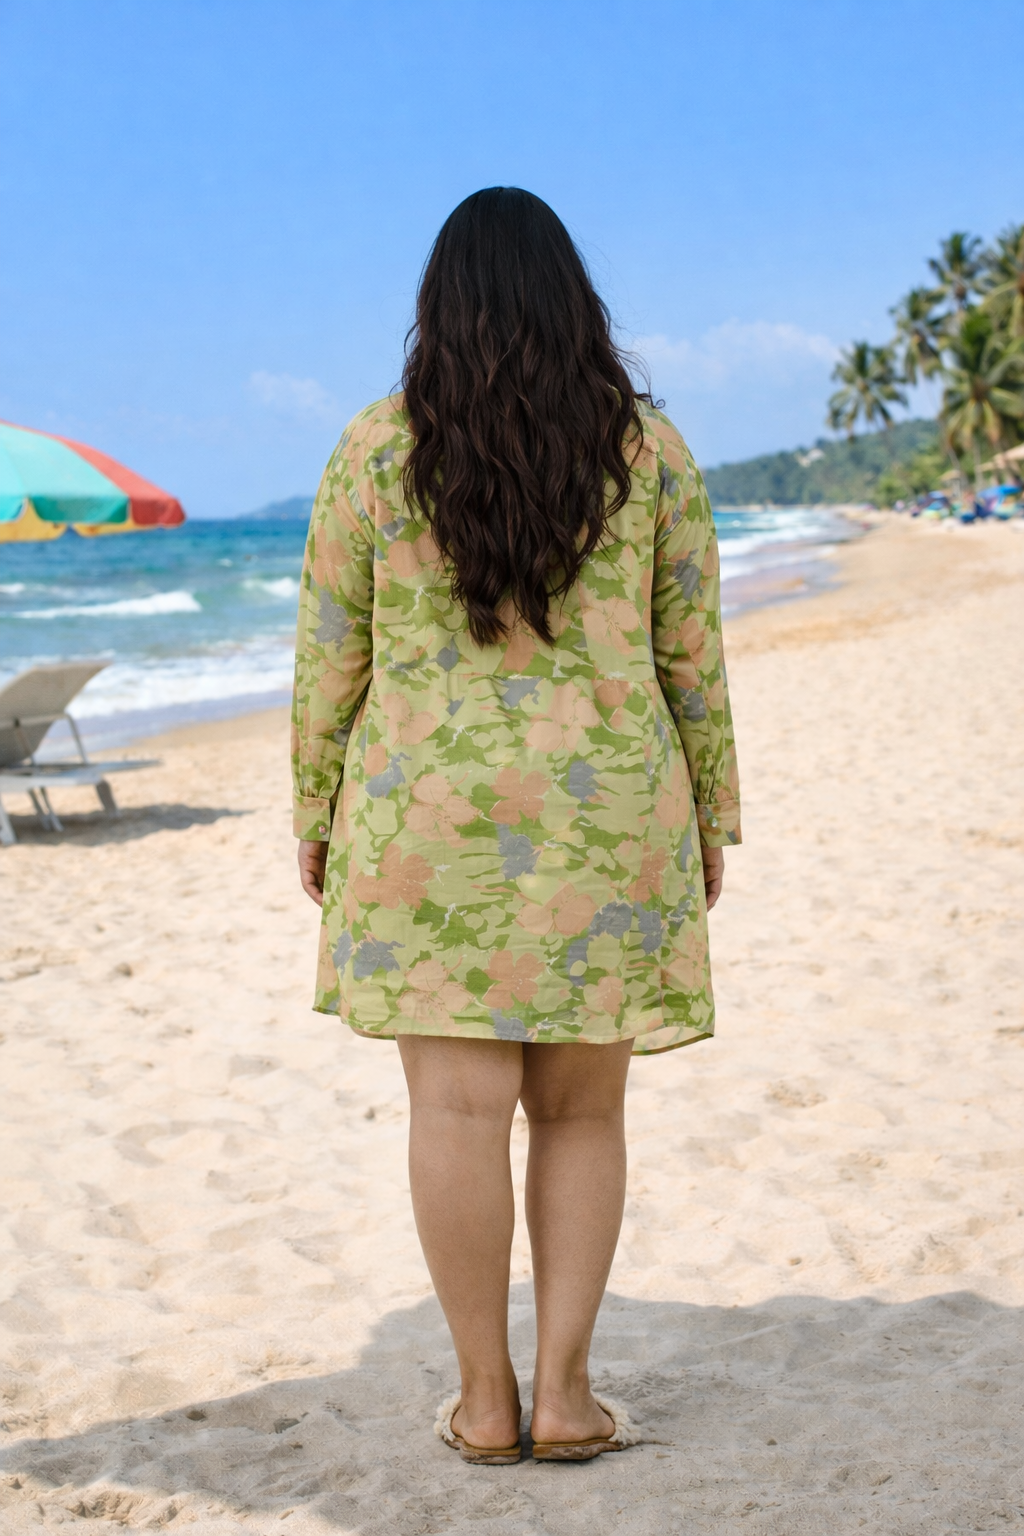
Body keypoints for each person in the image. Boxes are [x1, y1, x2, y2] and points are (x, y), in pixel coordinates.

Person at [291, 187, 740, 1465]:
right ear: (571, 302)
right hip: (609, 817)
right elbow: (691, 656)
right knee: (583, 1115)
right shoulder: (647, 452)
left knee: (454, 1114)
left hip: (423, 823)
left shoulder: (375, 450)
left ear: (437, 309)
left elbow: (329, 656)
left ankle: (483, 1404)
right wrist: (711, 812)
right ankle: (566, 1398)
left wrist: (314, 809)